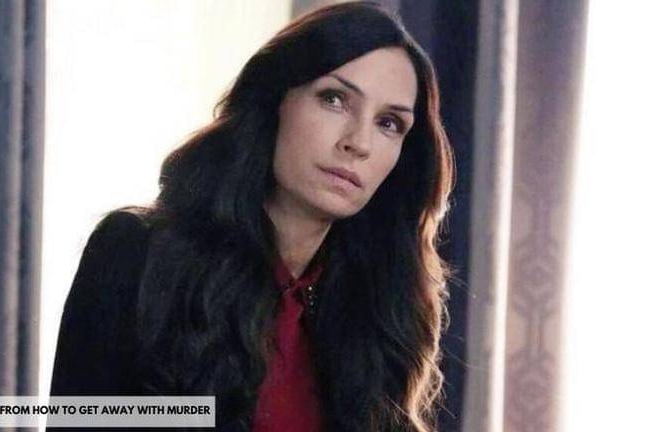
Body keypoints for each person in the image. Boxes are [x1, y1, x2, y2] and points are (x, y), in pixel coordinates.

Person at [49, 2, 454, 431]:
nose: (359, 143)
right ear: (275, 100)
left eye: (389, 123)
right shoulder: (136, 254)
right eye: (333, 99)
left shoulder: (380, 309)